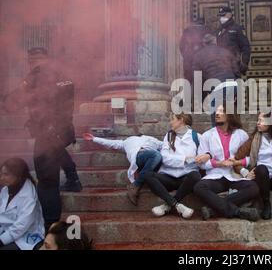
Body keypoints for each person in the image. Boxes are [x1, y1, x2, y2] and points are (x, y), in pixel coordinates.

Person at [1, 46, 82, 231]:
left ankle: (49, 226)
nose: (33, 63)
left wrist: (6, 99)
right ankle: (73, 179)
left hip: (48, 132)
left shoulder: (36, 76)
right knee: (55, 159)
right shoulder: (62, 74)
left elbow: (14, 103)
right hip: (62, 130)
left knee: (46, 181)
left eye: (33, 59)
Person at [193, 105, 260, 221]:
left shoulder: (241, 135)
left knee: (253, 187)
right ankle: (237, 211)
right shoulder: (207, 136)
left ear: (230, 115)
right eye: (216, 111)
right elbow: (200, 164)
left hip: (235, 175)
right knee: (199, 187)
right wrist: (219, 164)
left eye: (222, 111)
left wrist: (237, 162)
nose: (217, 114)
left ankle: (212, 210)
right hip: (215, 177)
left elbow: (251, 158)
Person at [232, 112, 272, 220]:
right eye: (258, 120)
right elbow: (237, 160)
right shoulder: (254, 139)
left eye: (261, 121)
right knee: (261, 168)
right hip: (262, 179)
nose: (257, 123)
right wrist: (245, 172)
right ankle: (266, 205)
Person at [145, 113, 202, 219]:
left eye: (173, 119)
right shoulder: (169, 135)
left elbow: (200, 160)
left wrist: (196, 159)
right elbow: (165, 158)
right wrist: (185, 159)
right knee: (148, 175)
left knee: (195, 176)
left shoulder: (197, 137)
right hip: (168, 177)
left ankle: (167, 205)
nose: (171, 122)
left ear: (181, 120)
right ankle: (177, 205)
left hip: (186, 179)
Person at [83, 133, 163, 206]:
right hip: (139, 156)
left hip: (152, 160)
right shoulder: (127, 141)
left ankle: (136, 184)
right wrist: (94, 138)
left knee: (158, 157)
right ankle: (137, 184)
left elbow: (166, 145)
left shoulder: (151, 139)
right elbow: (111, 143)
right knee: (156, 155)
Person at [192, 34, 239, 125]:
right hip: (232, 84)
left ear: (204, 44)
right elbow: (236, 71)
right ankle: (233, 132)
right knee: (230, 112)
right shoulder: (226, 52)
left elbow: (197, 77)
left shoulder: (199, 55)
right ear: (215, 42)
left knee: (217, 116)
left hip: (217, 86)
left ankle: (219, 136)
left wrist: (202, 95)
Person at [0, 158, 45, 250]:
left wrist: (1, 240)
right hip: (6, 230)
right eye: (1, 174)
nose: (2, 178)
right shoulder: (6, 189)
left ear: (18, 175)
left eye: (6, 174)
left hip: (26, 236)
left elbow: (21, 226)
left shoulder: (29, 196)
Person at [216, 7, 251, 78]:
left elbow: (245, 46)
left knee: (233, 87)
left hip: (233, 65)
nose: (221, 18)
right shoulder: (219, 30)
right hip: (220, 66)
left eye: (223, 15)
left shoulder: (237, 28)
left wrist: (244, 63)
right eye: (220, 16)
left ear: (229, 15)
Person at [179, 18, 210, 85]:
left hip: (189, 62)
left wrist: (186, 56)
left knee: (190, 83)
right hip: (203, 63)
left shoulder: (187, 31)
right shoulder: (208, 30)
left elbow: (181, 46)